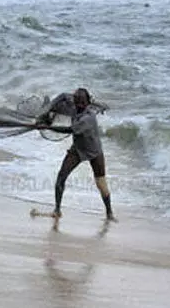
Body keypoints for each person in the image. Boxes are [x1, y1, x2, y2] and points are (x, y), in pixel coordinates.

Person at [36, 88, 115, 223]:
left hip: (94, 150)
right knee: (61, 177)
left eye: (82, 103)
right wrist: (47, 112)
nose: (79, 106)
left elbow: (70, 130)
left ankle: (109, 213)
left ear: (87, 103)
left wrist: (47, 128)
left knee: (101, 183)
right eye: (77, 102)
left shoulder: (88, 117)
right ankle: (57, 210)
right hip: (78, 149)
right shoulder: (73, 103)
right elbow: (61, 96)